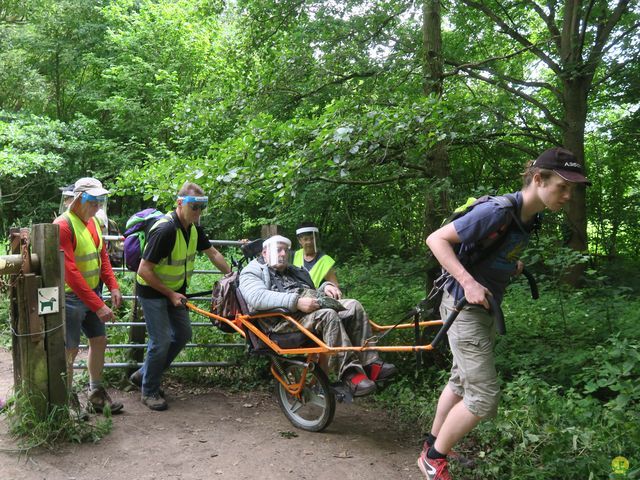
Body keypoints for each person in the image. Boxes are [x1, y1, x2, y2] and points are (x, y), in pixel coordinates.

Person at [417, 147, 591, 479]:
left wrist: (511, 265)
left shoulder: (530, 217)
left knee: (458, 382)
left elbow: (491, 251)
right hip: (462, 306)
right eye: (563, 186)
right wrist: (468, 282)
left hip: (480, 307)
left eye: (573, 189)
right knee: (483, 397)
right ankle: (432, 459)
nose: (568, 195)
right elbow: (436, 239)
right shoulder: (497, 211)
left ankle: (433, 445)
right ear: (538, 179)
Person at [238, 235, 397, 397]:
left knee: (354, 306)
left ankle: (370, 364)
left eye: (286, 250)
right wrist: (296, 302)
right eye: (278, 250)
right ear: (265, 253)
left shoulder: (293, 270)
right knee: (327, 315)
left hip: (304, 315)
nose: (283, 254)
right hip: (280, 322)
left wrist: (326, 287)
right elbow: (257, 298)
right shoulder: (251, 272)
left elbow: (310, 290)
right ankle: (350, 375)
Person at [131, 181, 231, 411]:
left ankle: (144, 374)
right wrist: (170, 294)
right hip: (152, 290)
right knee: (161, 340)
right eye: (194, 206)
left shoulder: (193, 228)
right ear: (180, 203)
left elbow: (213, 252)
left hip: (175, 291)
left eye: (201, 207)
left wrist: (232, 276)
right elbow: (144, 270)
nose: (198, 212)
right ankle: (149, 390)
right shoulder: (165, 230)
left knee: (183, 334)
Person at [53, 177, 124, 414]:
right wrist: (98, 305)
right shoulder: (63, 225)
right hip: (71, 298)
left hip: (92, 293)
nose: (98, 207)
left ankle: (95, 393)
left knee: (99, 341)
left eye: (100, 201)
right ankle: (68, 400)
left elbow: (101, 256)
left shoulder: (92, 222)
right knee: (69, 350)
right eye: (94, 201)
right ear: (79, 199)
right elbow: (70, 272)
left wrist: (112, 285)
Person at [292, 222, 341, 293]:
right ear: (299, 240)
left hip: (317, 300)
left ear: (316, 239)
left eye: (312, 238)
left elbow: (335, 288)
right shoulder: (294, 256)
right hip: (295, 298)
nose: (309, 242)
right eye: (305, 239)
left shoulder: (325, 261)